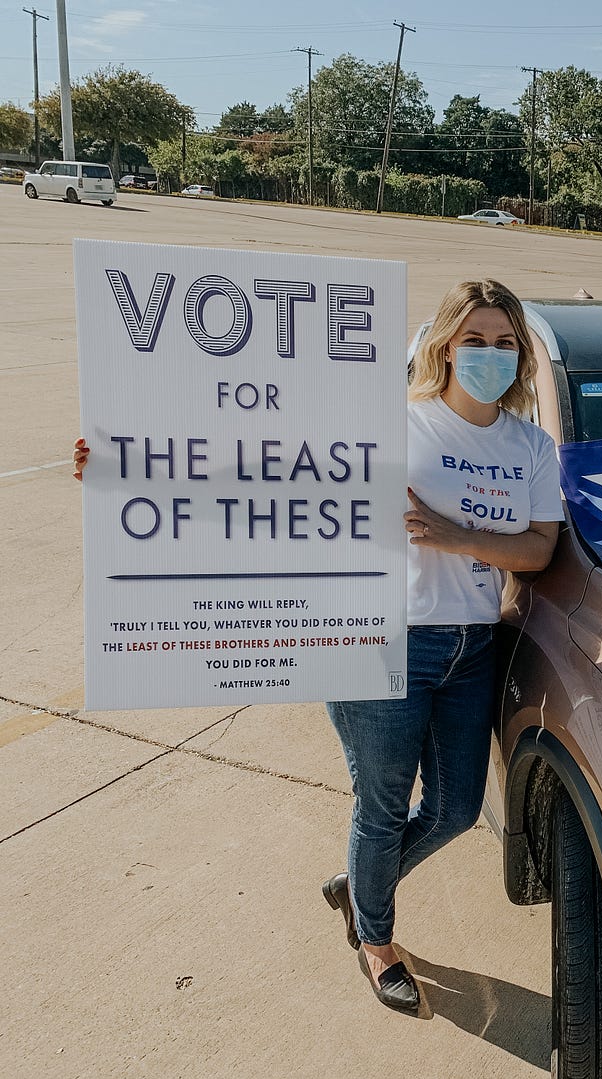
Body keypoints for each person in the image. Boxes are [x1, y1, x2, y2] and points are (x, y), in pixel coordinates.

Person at [72, 278, 564, 1016]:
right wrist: (125, 465)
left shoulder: (530, 445)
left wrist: (455, 535)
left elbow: (540, 548)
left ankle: (359, 883)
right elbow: (264, 475)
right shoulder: (396, 426)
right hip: (379, 638)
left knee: (459, 809)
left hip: (472, 649)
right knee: (382, 804)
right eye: (474, 340)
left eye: (503, 343)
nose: (489, 355)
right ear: (444, 347)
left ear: (519, 355)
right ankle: (376, 939)